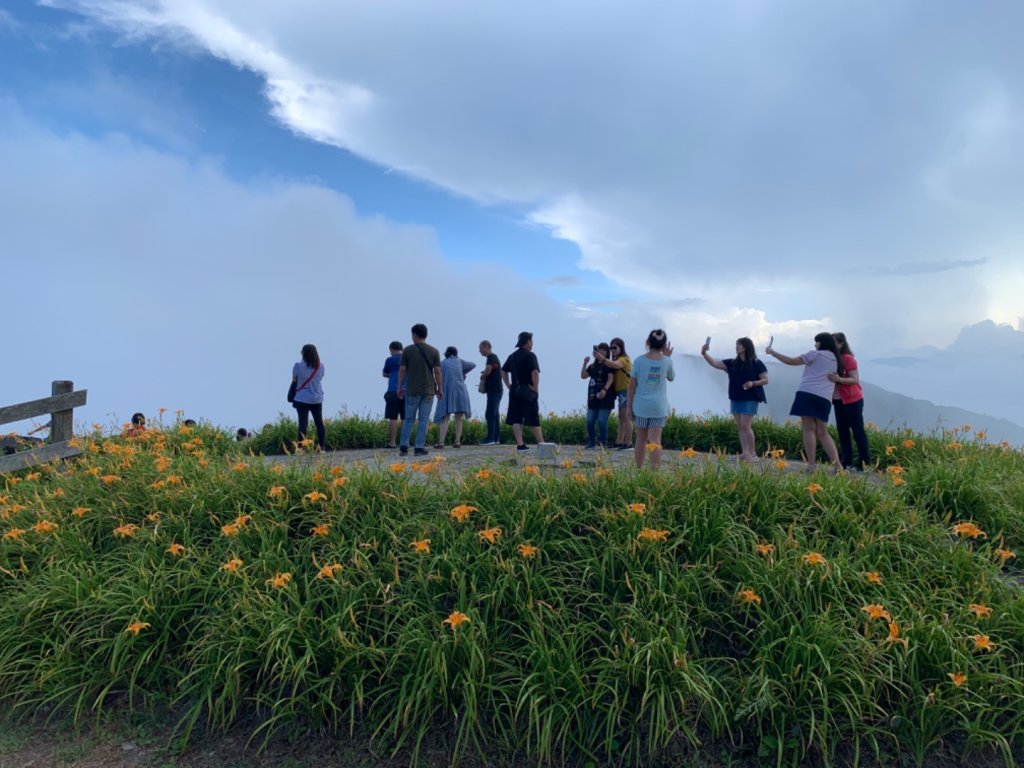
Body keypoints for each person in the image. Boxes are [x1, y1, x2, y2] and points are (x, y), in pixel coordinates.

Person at [766, 333, 841, 469]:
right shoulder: (836, 359)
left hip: (807, 393)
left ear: (822, 343)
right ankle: (838, 466)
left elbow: (791, 361)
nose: (815, 344)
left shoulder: (815, 354)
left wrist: (773, 353)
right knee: (823, 432)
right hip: (825, 398)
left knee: (808, 429)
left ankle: (811, 464)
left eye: (816, 342)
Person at [701, 337, 768, 461]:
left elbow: (765, 380)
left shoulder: (757, 363)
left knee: (745, 426)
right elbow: (714, 363)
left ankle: (752, 453)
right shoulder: (732, 363)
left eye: (740, 345)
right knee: (740, 427)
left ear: (747, 347)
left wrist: (753, 383)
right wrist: (704, 353)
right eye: (737, 344)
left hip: (750, 398)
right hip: (735, 397)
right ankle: (745, 452)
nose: (737, 347)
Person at [627, 329, 675, 469]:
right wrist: (667, 357)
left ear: (648, 342)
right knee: (655, 440)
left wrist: (629, 407)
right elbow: (671, 378)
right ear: (664, 344)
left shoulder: (639, 361)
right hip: (658, 407)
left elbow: (631, 386)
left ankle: (639, 469)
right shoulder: (667, 361)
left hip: (641, 406)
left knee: (641, 439)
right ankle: (654, 471)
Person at [397, 323, 442, 456]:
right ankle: (418, 447)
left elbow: (402, 370)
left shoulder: (408, 350)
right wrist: (440, 389)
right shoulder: (434, 351)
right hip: (428, 391)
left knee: (409, 419)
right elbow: (438, 372)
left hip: (412, 390)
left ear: (415, 335)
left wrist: (399, 387)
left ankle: (404, 447)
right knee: (424, 419)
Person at [828, 332, 872, 471]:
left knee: (857, 431)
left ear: (841, 344)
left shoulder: (847, 358)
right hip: (838, 400)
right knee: (842, 431)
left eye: (833, 342)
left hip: (852, 399)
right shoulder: (832, 359)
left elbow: (854, 379)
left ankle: (865, 462)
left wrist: (839, 380)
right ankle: (847, 461)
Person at [502, 331, 545, 452]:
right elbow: (535, 372)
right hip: (527, 390)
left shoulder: (512, 356)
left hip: (515, 390)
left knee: (516, 418)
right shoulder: (530, 355)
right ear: (527, 342)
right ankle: (541, 444)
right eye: (531, 341)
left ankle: (520, 445)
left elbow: (503, 371)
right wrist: (535, 388)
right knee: (532, 418)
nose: (532, 344)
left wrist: (509, 385)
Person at [433, 346, 476, 448]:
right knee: (458, 418)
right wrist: (463, 372)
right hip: (461, 390)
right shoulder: (460, 361)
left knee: (445, 417)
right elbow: (473, 365)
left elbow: (437, 374)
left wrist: (438, 389)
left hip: (447, 390)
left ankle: (441, 442)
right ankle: (457, 441)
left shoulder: (442, 363)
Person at [580, 342, 616, 448]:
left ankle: (603, 442)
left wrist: (605, 390)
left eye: (604, 350)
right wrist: (585, 363)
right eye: (599, 350)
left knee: (601, 420)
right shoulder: (593, 366)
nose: (601, 352)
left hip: (606, 397)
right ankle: (591, 441)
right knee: (590, 420)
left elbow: (611, 378)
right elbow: (583, 376)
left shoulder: (608, 364)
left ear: (607, 353)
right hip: (593, 398)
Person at [291, 343, 325, 450]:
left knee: (303, 424)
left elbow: (294, 380)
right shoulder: (321, 366)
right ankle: (322, 446)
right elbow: (320, 378)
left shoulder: (298, 366)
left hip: (302, 398)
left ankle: (301, 447)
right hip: (317, 398)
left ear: (303, 354)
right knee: (319, 423)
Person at [606, 337, 633, 450]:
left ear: (621, 348)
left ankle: (628, 442)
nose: (612, 350)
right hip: (621, 391)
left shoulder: (624, 359)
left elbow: (616, 365)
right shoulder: (618, 359)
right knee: (621, 417)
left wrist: (602, 359)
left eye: (615, 347)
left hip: (626, 390)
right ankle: (619, 441)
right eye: (611, 347)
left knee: (626, 416)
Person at [478, 340, 503, 445]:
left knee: (490, 413)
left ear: (486, 347)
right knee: (495, 414)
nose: (480, 351)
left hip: (494, 390)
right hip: (496, 390)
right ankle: (496, 438)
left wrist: (482, 376)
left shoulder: (491, 357)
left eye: (481, 348)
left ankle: (490, 438)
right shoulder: (494, 357)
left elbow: (488, 370)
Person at [382, 341, 404, 449]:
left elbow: (384, 373)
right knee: (405, 418)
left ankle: (392, 442)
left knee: (393, 418)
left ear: (391, 349)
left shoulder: (389, 360)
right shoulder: (407, 359)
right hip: (406, 391)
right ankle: (404, 442)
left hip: (393, 391)